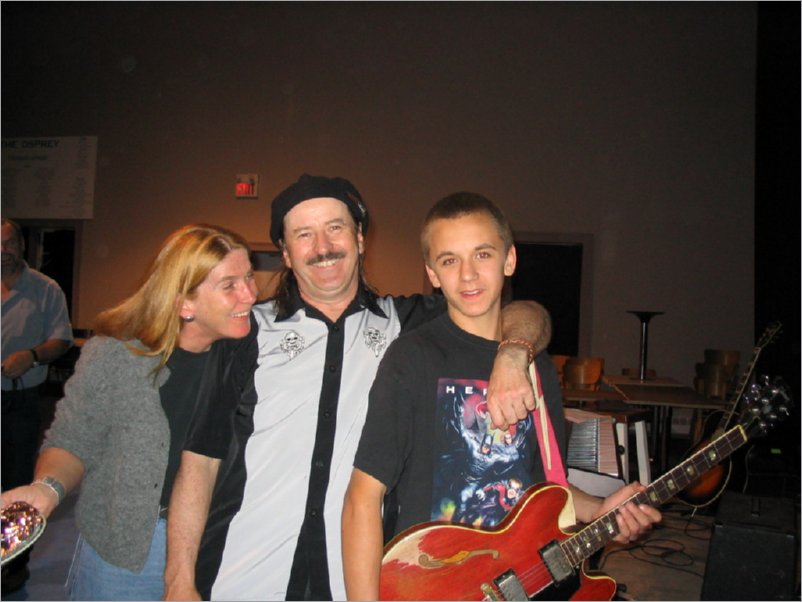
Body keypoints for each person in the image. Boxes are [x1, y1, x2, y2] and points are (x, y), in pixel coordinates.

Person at [164, 175, 552, 601]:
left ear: (361, 238)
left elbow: (522, 310)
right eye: (303, 234)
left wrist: (514, 352)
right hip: (240, 578)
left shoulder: (407, 325)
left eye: (335, 227)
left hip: (353, 583)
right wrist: (179, 582)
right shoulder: (248, 334)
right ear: (286, 254)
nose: (323, 246)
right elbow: (199, 463)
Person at [341, 192, 662, 600]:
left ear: (509, 260)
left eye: (483, 255)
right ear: (432, 274)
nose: (468, 275)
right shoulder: (413, 357)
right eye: (450, 260)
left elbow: (544, 487)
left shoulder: (537, 367)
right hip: (436, 584)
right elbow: (362, 499)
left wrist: (599, 509)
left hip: (520, 584)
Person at [1, 224, 258, 600]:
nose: (250, 295)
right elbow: (72, 440)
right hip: (132, 548)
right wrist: (47, 488)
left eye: (249, 276)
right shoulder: (116, 356)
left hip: (221, 539)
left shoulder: (247, 360)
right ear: (184, 302)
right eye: (230, 285)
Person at [1, 218, 73, 594]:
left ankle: (11, 568)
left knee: (14, 484)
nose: (3, 251)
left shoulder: (46, 290)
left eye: (9, 243)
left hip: (19, 401)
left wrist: (31, 355)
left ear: (21, 246)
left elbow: (62, 339)